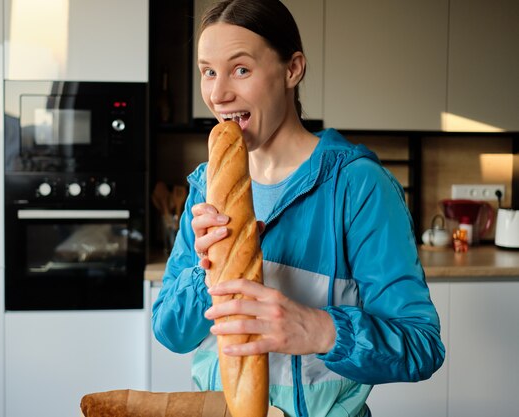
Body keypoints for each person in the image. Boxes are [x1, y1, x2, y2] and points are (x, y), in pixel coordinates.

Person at [152, 1, 445, 416]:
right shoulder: (207, 186)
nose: (218, 94)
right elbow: (171, 333)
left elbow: (421, 345)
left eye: (241, 69)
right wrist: (208, 270)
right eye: (208, 71)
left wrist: (320, 330)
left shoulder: (357, 186)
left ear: (292, 69)